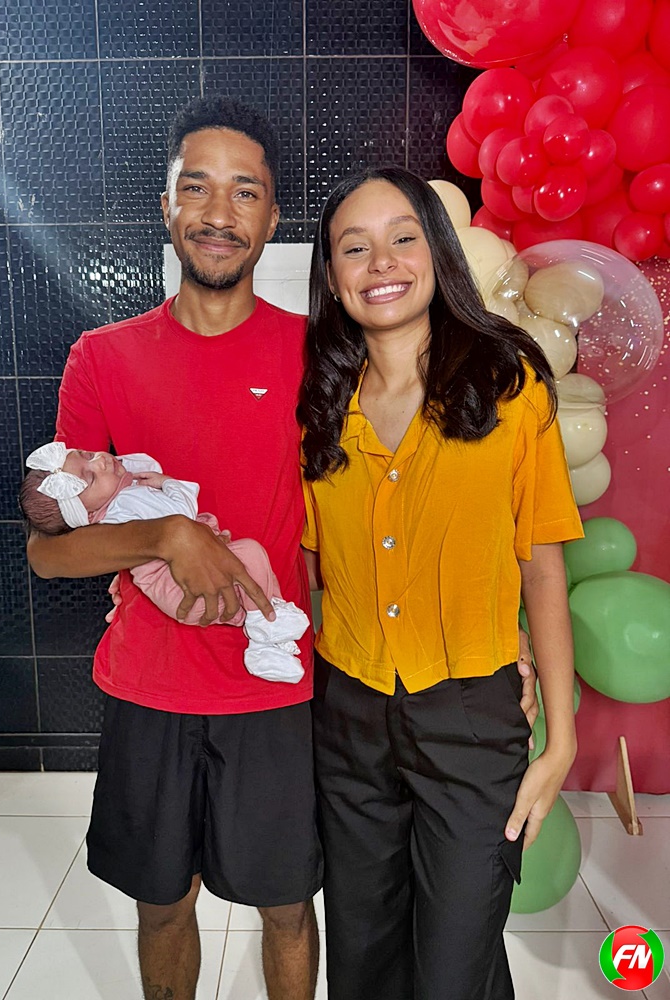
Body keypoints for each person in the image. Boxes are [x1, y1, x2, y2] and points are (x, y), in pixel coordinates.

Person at [26, 97, 323, 1000]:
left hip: (276, 689)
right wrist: (165, 533)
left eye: (244, 192)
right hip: (148, 688)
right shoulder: (101, 358)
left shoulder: (319, 354)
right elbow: (49, 553)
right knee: (163, 906)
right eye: (196, 188)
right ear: (166, 205)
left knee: (287, 908)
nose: (219, 213)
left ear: (272, 216)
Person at [297, 166, 583, 1000]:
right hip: (347, 715)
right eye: (354, 247)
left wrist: (560, 738)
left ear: (438, 252)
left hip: (471, 716)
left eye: (403, 237)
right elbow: (303, 565)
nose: (380, 261)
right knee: (363, 959)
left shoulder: (508, 383)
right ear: (332, 277)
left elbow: (542, 562)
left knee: (456, 960)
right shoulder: (317, 403)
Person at [20, 442, 310, 683]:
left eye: (88, 454)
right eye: (91, 478)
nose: (101, 461)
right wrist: (169, 491)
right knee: (250, 554)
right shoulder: (126, 504)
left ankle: (268, 638)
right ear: (85, 515)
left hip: (175, 637)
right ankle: (267, 632)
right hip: (170, 632)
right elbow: (181, 515)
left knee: (247, 566)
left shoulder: (116, 502)